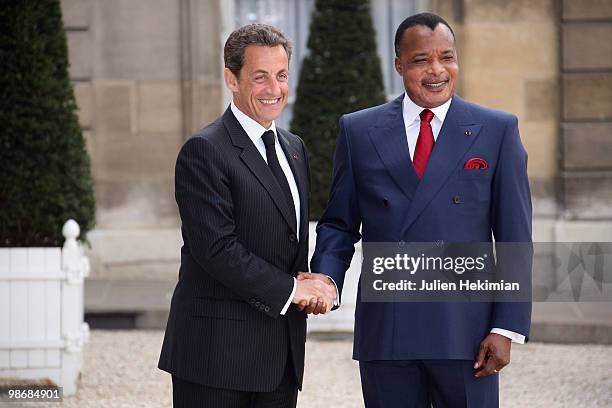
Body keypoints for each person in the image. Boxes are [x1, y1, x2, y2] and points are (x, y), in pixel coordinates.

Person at [305, 12, 532, 407]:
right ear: (398, 65)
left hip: (466, 332)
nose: (437, 70)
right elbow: (339, 223)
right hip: (387, 328)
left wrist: (506, 327)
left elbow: (515, 237)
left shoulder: (496, 130)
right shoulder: (358, 130)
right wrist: (326, 278)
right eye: (421, 60)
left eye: (446, 57)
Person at [158, 23, 336, 408]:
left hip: (281, 357)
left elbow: (289, 240)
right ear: (231, 79)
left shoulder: (294, 148)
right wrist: (294, 290)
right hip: (215, 358)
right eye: (260, 77)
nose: (275, 89)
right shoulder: (204, 150)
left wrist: (318, 281)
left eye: (282, 75)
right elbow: (216, 249)